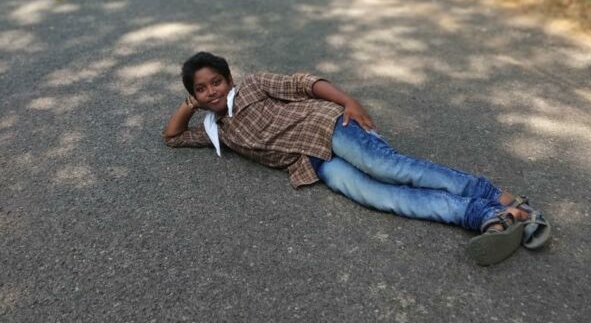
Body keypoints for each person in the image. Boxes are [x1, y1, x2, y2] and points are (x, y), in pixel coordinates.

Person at [163, 52, 551, 265]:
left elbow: (303, 82)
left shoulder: (253, 85)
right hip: (315, 163)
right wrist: (189, 105)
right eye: (202, 89)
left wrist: (349, 101)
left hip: (330, 126)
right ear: (195, 96)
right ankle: (489, 216)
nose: (212, 91)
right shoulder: (218, 132)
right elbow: (173, 137)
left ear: (230, 79)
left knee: (389, 168)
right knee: (380, 196)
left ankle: (499, 197)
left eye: (217, 82)